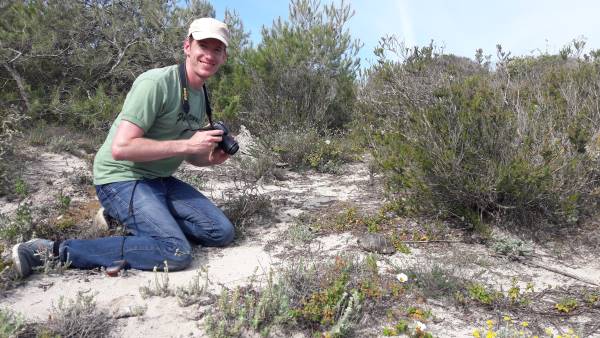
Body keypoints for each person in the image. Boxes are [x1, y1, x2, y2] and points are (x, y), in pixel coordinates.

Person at [12, 17, 235, 278]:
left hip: (159, 180)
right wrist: (188, 143)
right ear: (187, 46)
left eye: (216, 49)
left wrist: (210, 159)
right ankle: (48, 251)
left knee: (222, 232)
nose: (209, 55)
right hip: (121, 179)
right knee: (175, 251)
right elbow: (122, 148)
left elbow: (187, 153)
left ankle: (126, 218)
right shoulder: (155, 83)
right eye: (203, 46)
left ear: (224, 57)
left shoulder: (201, 94)